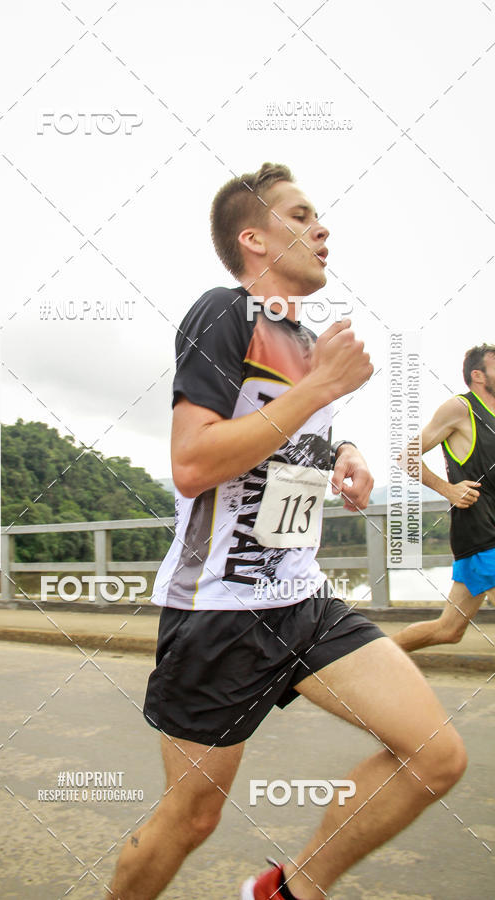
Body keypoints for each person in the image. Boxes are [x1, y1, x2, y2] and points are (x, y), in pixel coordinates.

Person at [107, 163, 467, 900]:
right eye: (300, 216)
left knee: (435, 755)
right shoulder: (226, 313)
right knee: (193, 816)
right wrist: (322, 387)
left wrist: (345, 451)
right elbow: (192, 463)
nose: (321, 228)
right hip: (219, 609)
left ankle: (286, 892)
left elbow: (286, 431)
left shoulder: (303, 342)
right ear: (255, 239)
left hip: (302, 600)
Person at [392, 344, 495, 652]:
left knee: (449, 630)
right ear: (478, 375)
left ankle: (370, 657)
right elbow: (407, 457)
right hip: (482, 534)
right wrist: (447, 489)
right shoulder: (461, 408)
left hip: (484, 539)